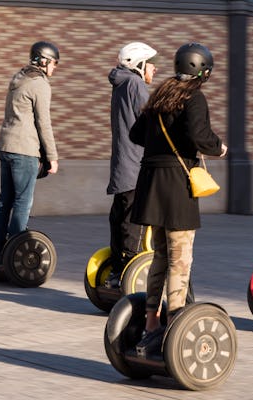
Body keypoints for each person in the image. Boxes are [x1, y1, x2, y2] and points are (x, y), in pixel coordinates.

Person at [128, 43, 227, 357]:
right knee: (180, 260)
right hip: (176, 186)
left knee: (159, 256)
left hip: (152, 183)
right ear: (203, 71)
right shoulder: (193, 97)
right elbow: (200, 135)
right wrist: (219, 147)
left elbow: (136, 135)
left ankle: (151, 322)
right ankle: (174, 325)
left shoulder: (161, 94)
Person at [0, 41, 61, 267]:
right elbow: (43, 123)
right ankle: (15, 252)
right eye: (54, 63)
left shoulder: (18, 78)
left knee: (5, 201)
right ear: (44, 60)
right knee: (22, 202)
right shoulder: (39, 84)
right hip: (23, 150)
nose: (55, 68)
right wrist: (52, 156)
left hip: (6, 146)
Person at [105, 42, 159, 288]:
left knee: (119, 218)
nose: (155, 69)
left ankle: (117, 271)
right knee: (132, 222)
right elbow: (150, 121)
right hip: (135, 165)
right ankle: (127, 270)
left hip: (122, 164)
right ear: (138, 65)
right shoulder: (135, 84)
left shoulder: (121, 84)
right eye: (150, 64)